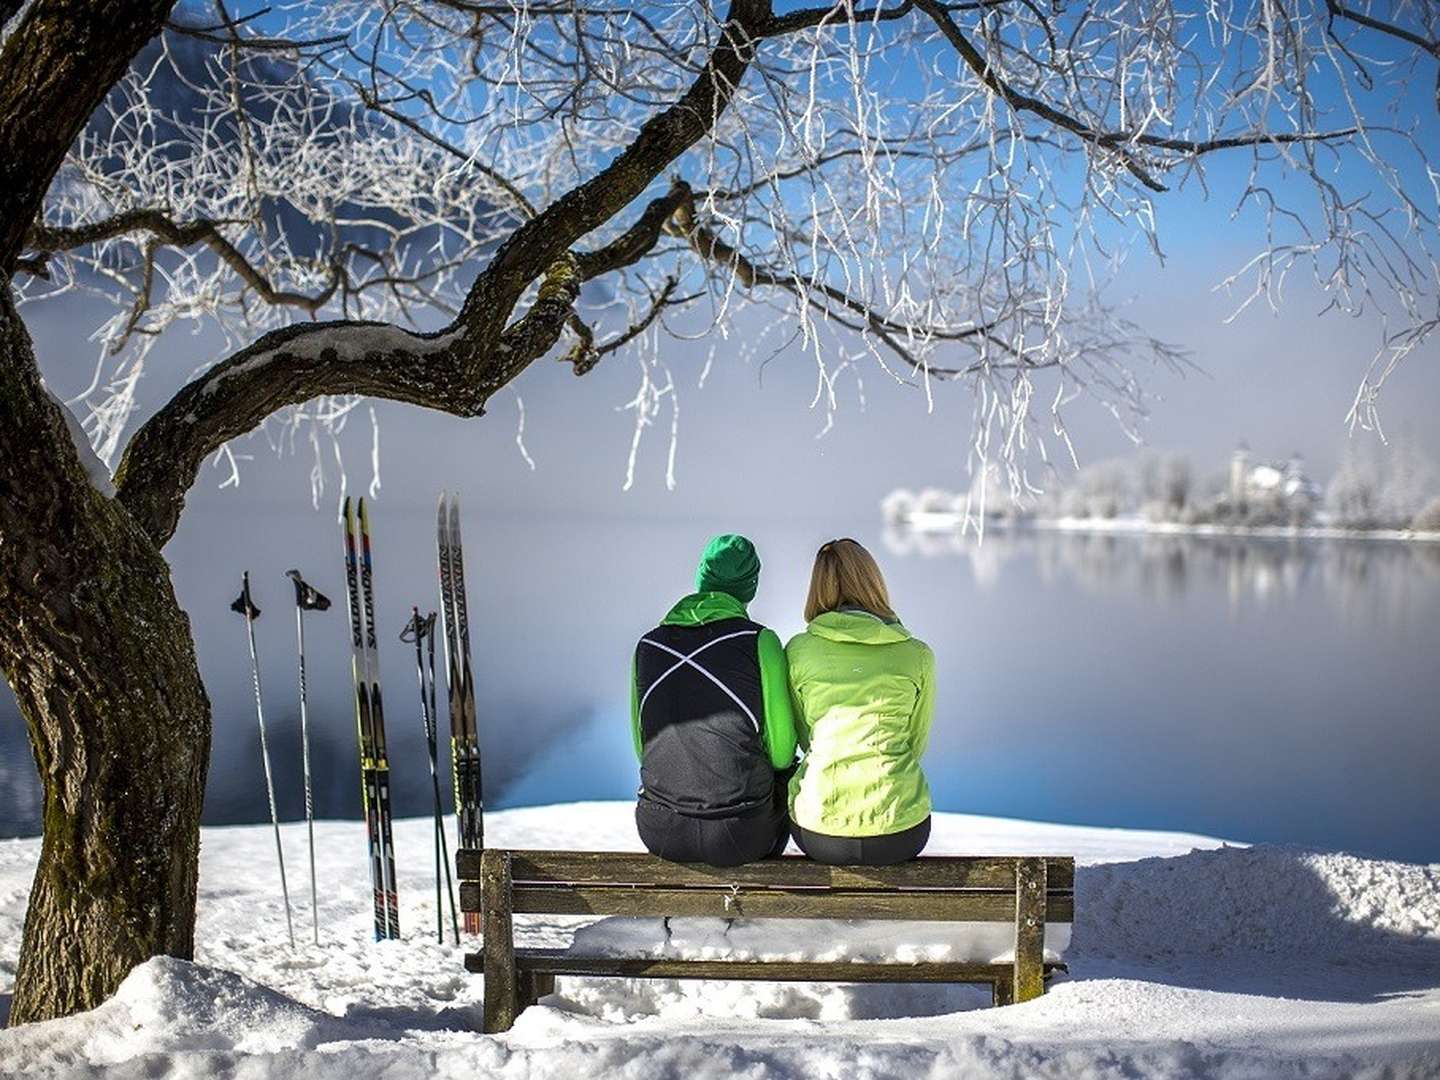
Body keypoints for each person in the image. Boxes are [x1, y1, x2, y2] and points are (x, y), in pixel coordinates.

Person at [630, 534, 797, 866]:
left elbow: (643, 747)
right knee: (787, 774)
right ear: (751, 587)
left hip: (660, 831)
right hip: (742, 834)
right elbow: (781, 754)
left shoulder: (648, 646)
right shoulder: (760, 642)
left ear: (701, 577)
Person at [786, 538, 934, 865]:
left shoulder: (798, 651)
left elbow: (804, 736)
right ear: (873, 582)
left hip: (820, 831)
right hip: (900, 830)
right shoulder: (917, 655)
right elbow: (914, 741)